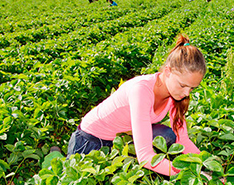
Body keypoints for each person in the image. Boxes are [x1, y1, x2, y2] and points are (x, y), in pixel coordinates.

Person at [67, 35, 206, 176]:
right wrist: (189, 174)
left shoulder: (176, 95)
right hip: (90, 141)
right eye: (183, 85)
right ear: (168, 72)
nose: (187, 93)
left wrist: (207, 166)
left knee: (167, 135)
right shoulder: (141, 90)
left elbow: (182, 139)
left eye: (192, 88)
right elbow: (145, 157)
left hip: (119, 141)